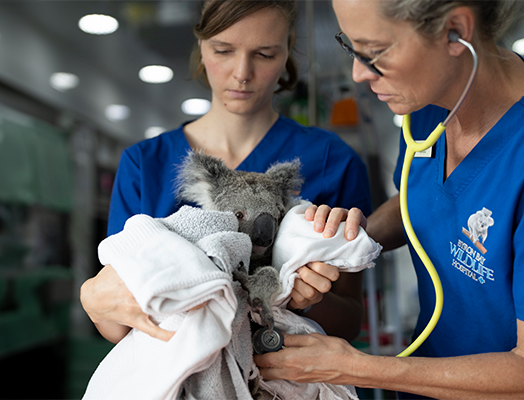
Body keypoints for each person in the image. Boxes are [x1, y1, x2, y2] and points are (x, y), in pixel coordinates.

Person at [254, 0, 524, 398]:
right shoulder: (428, 106)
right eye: (351, 48)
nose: (358, 74)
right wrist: (342, 242)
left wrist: (352, 367)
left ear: (456, 31)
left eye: (375, 53)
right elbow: (423, 199)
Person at [80, 0, 372, 347]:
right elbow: (120, 326)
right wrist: (96, 304)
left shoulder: (332, 160)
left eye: (264, 54)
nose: (242, 73)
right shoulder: (144, 164)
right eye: (223, 50)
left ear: (287, 48)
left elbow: (351, 321)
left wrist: (307, 298)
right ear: (200, 44)